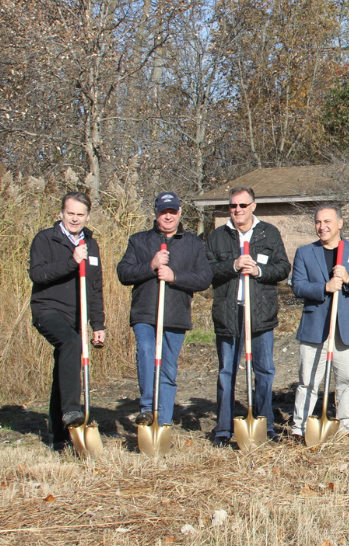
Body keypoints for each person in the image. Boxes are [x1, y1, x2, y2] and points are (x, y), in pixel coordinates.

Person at [117, 192, 212, 428]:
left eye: (172, 211)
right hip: (145, 312)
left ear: (179, 212)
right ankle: (148, 408)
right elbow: (124, 273)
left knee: (168, 366)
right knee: (148, 353)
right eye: (163, 212)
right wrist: (150, 265)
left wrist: (174, 276)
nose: (167, 216)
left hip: (175, 315)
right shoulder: (138, 241)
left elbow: (204, 279)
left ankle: (164, 420)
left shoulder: (193, 243)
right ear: (156, 214)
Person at [205, 187, 291, 447]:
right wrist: (232, 266)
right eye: (233, 206)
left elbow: (283, 268)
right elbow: (206, 271)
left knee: (264, 370)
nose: (237, 210)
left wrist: (259, 270)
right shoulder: (218, 237)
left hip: (260, 314)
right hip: (229, 313)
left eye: (243, 205)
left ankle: (263, 424)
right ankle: (223, 429)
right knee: (226, 372)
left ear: (253, 206)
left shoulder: (269, 233)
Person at [289, 204, 349, 440]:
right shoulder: (305, 253)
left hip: (346, 327)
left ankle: (346, 426)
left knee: (346, 380)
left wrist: (348, 279)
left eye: (327, 221)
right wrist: (324, 287)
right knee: (307, 381)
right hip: (315, 325)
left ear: (340, 223)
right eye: (318, 222)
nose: (322, 226)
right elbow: (297, 286)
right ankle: (300, 427)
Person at [29, 192, 106, 451]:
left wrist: (98, 324)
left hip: (77, 315)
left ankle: (59, 438)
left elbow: (95, 287)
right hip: (48, 310)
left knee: (63, 370)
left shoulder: (91, 244)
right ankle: (73, 410)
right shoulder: (45, 239)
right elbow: (38, 274)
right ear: (62, 213)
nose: (75, 218)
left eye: (80, 214)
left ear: (87, 216)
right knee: (72, 343)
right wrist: (71, 261)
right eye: (70, 213)